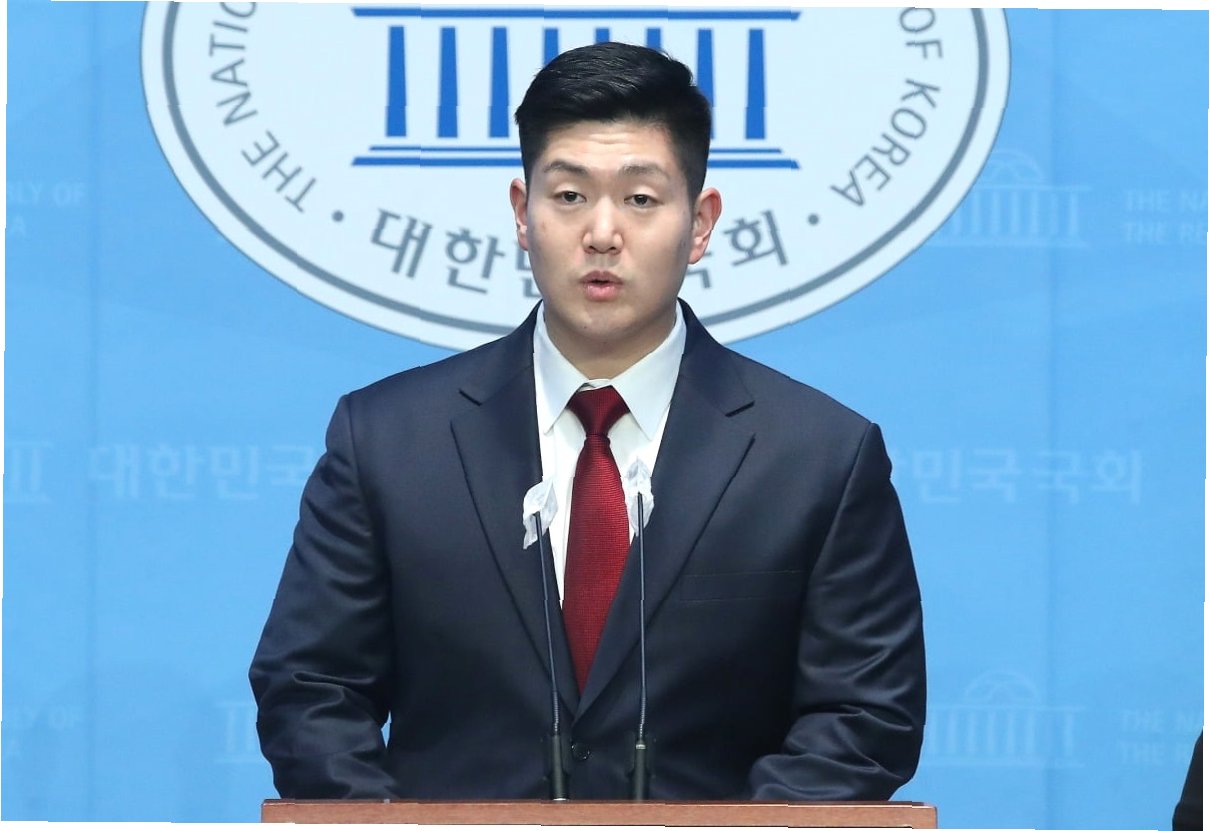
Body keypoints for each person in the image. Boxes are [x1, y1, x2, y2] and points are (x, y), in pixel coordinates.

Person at [249, 41, 925, 802]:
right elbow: (311, 689)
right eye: (569, 196)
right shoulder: (388, 440)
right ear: (522, 213)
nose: (602, 233)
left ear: (701, 223)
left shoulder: (817, 456)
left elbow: (864, 717)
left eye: (640, 199)